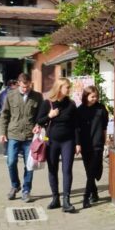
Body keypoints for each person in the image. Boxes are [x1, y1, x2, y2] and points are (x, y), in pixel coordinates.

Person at [35, 77, 79, 212]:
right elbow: (39, 121)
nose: (69, 89)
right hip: (52, 142)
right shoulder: (47, 103)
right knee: (52, 169)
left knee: (67, 170)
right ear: (59, 88)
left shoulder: (71, 104)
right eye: (67, 87)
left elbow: (76, 126)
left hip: (68, 141)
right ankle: (55, 198)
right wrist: (50, 115)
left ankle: (67, 200)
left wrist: (78, 143)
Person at [0, 72, 43, 202]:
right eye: (23, 87)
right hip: (13, 134)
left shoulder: (37, 96)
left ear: (30, 84)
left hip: (30, 136)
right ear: (19, 83)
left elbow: (41, 115)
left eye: (28, 86)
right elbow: (4, 115)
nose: (25, 89)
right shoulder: (10, 95)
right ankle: (15, 185)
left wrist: (38, 125)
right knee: (11, 161)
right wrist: (2, 132)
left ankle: (26, 190)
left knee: (29, 165)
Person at [75, 85, 109, 209]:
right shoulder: (80, 110)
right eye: (92, 96)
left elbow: (105, 127)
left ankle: (86, 196)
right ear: (86, 96)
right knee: (89, 171)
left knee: (92, 171)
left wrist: (105, 141)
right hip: (85, 144)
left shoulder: (101, 109)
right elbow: (77, 129)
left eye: (96, 96)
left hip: (97, 143)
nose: (95, 99)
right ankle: (94, 193)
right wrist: (77, 144)